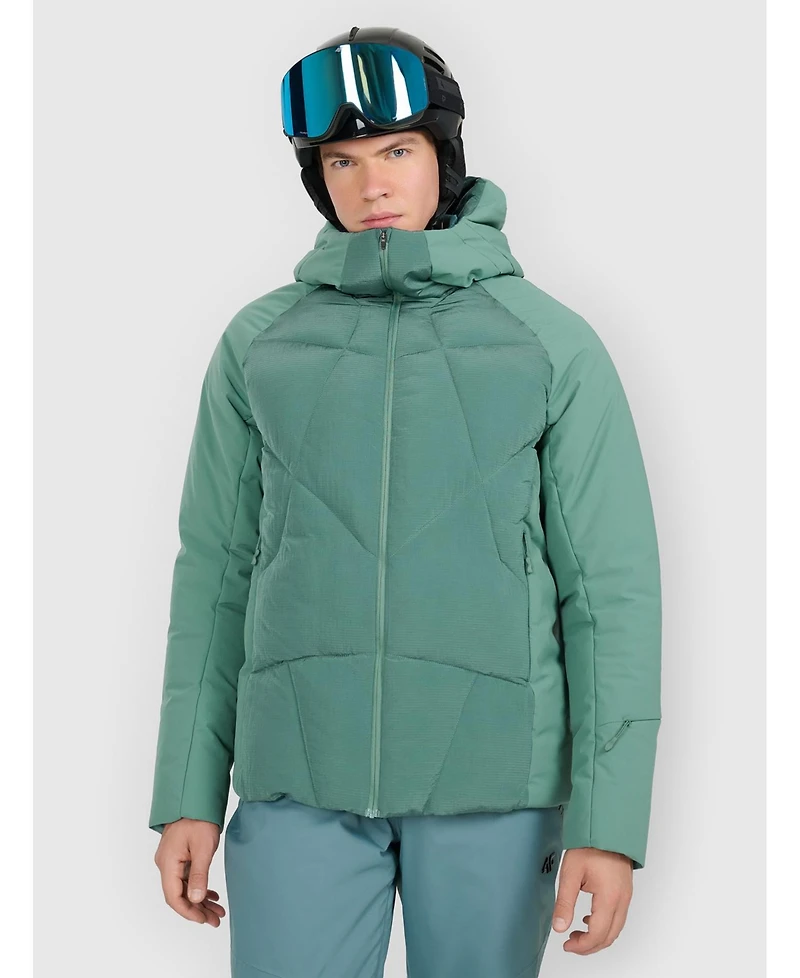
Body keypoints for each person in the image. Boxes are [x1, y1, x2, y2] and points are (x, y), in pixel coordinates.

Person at [149, 25, 662, 978]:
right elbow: (215, 575)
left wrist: (610, 822)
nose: (370, 184)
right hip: (297, 784)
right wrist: (187, 791)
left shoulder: (548, 344)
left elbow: (610, 595)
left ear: (444, 157)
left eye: (396, 152)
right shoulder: (261, 345)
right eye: (340, 162)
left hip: (497, 790)